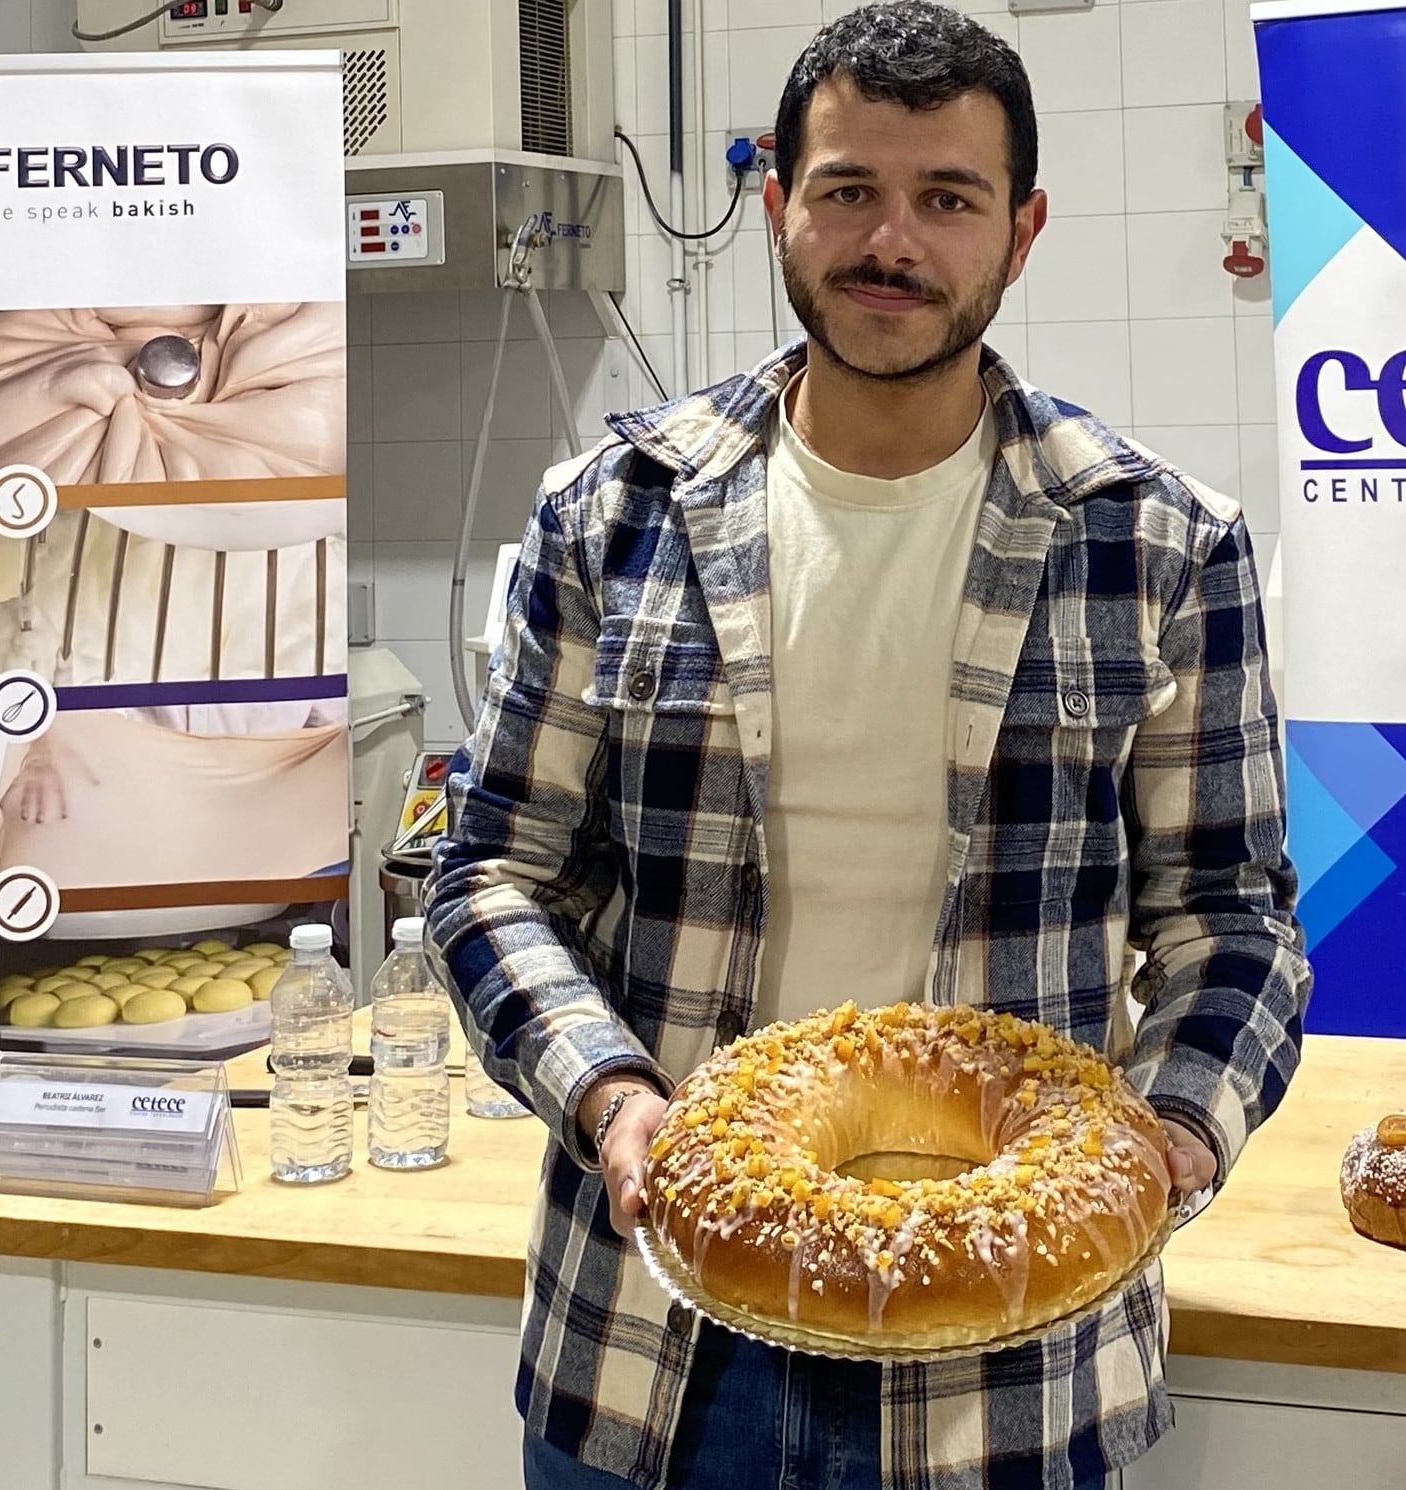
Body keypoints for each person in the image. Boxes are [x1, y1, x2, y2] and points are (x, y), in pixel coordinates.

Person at [426, 5, 1310, 1487]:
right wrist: (608, 1094)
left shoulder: (1154, 543)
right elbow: (491, 874)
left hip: (1010, 1367)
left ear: (1019, 233)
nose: (888, 239)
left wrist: (1172, 1129)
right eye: (846, 190)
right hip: (652, 1334)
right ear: (777, 203)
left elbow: (1230, 916)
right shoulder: (614, 514)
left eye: (945, 199)